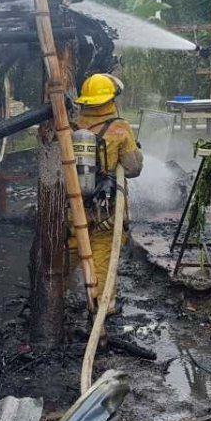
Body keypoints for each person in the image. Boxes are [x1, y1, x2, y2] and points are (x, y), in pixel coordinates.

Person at [70, 73, 143, 311]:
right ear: (110, 100)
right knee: (102, 253)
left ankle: (59, 299)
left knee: (72, 249)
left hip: (74, 205)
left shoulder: (71, 127)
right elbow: (133, 168)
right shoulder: (119, 128)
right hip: (106, 208)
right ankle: (101, 306)